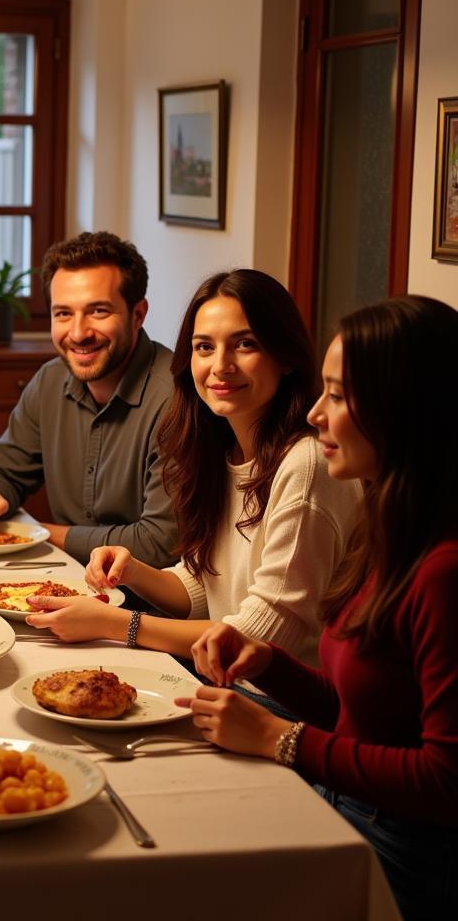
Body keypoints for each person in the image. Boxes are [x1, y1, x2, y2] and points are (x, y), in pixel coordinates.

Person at [175, 295, 458, 920]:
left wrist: (283, 739)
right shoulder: (392, 529)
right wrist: (269, 665)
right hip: (349, 805)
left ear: (404, 410)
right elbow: (367, 715)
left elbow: (445, 779)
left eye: (337, 395)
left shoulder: (443, 572)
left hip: (408, 854)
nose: (314, 413)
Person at [28, 269, 361, 667]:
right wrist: (133, 570)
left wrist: (116, 624)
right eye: (204, 347)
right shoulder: (222, 450)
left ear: (284, 356)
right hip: (224, 682)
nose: (221, 365)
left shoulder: (306, 464)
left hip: (279, 704)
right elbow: (203, 586)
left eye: (245, 344)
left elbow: (260, 635)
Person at [0, 231, 177, 566]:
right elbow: (4, 469)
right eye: (62, 314)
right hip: (68, 582)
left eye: (98, 311)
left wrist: (37, 532)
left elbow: (158, 543)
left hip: (147, 606)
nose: (77, 333)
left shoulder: (176, 398)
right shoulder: (50, 380)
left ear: (138, 314)